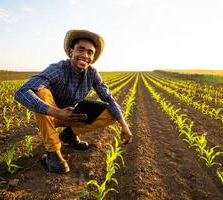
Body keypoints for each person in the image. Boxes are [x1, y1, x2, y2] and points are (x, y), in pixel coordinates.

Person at [14, 29, 133, 174]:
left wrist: (124, 125)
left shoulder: (93, 73)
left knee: (111, 113)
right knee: (41, 93)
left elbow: (108, 98)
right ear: (71, 52)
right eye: (81, 50)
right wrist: (57, 112)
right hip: (50, 115)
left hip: (71, 115)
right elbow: (21, 92)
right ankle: (52, 152)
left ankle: (69, 134)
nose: (85, 55)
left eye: (90, 52)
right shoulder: (58, 69)